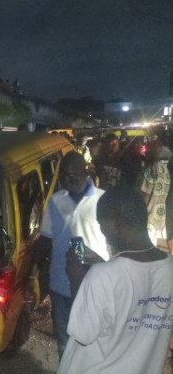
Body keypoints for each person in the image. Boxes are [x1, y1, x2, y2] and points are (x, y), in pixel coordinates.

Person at [58, 186, 173, 374]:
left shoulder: (102, 276)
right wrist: (105, 263)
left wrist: (76, 279)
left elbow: (83, 333)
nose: (102, 230)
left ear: (113, 219)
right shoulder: (169, 269)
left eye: (101, 223)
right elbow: (134, 295)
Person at [35, 151, 110, 360]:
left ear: (85, 172)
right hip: (60, 285)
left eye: (72, 176)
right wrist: (37, 273)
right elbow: (45, 240)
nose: (67, 181)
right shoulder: (55, 201)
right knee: (64, 342)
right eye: (63, 177)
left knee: (92, 342)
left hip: (92, 285)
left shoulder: (102, 200)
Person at [137, 138, 170, 251]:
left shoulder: (149, 170)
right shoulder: (164, 170)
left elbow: (142, 199)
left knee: (146, 253)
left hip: (147, 221)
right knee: (159, 253)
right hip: (160, 220)